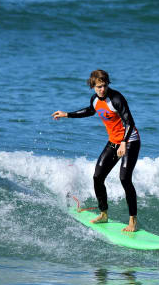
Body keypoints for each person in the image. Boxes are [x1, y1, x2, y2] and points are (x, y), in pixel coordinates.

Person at [52, 70, 141, 232]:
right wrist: (67, 114)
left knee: (124, 179)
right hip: (114, 142)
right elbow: (90, 110)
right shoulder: (95, 100)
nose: (102, 89)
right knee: (98, 177)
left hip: (130, 141)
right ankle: (103, 213)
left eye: (105, 85)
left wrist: (123, 142)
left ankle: (133, 221)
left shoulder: (116, 99)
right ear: (92, 86)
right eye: (99, 86)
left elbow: (129, 121)